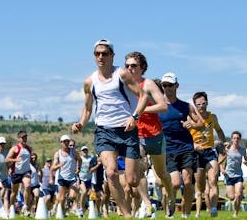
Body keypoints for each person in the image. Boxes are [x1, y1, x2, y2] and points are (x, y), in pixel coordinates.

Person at [71, 39, 148, 218]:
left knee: (132, 181)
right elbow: (88, 107)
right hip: (104, 130)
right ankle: (127, 214)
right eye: (97, 53)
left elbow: (143, 96)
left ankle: (141, 166)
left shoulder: (122, 75)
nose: (100, 57)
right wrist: (81, 123)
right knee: (111, 173)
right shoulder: (89, 82)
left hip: (127, 130)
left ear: (112, 55)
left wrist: (134, 117)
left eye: (104, 53)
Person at [125, 51, 174, 217]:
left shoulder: (149, 84)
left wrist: (140, 110)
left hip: (154, 134)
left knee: (161, 173)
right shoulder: (123, 85)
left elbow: (163, 106)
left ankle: (172, 197)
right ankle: (147, 204)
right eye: (127, 66)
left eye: (134, 65)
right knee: (138, 169)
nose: (130, 68)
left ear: (142, 67)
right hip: (135, 134)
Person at [157, 72, 204, 218]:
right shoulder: (158, 107)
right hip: (167, 149)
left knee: (188, 181)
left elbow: (201, 124)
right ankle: (169, 207)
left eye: (170, 85)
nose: (167, 88)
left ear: (176, 86)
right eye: (164, 85)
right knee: (175, 184)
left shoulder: (185, 106)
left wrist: (193, 125)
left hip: (186, 147)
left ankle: (186, 214)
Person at [189, 91, 226, 217]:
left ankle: (214, 209)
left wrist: (224, 142)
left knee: (213, 180)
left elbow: (219, 130)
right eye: (198, 104)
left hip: (210, 151)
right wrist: (193, 146)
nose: (202, 106)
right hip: (197, 153)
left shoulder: (212, 117)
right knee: (200, 187)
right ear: (194, 105)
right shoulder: (190, 118)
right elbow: (184, 137)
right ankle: (200, 209)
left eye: (204, 103)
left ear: (207, 103)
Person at [50, 135, 82, 217]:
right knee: (61, 199)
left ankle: (69, 201)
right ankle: (63, 213)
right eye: (64, 141)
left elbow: (80, 159)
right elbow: (53, 168)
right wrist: (59, 165)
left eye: (67, 141)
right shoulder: (58, 154)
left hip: (72, 178)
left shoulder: (73, 151)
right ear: (61, 143)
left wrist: (78, 169)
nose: (66, 143)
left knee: (73, 196)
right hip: (62, 178)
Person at [219, 131, 247, 218]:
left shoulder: (243, 150)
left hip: (238, 175)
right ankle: (232, 198)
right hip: (228, 175)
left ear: (240, 139)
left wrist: (246, 162)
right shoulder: (227, 150)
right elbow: (219, 162)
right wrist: (222, 169)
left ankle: (236, 213)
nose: (236, 140)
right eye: (234, 138)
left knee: (238, 194)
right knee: (232, 197)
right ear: (232, 139)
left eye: (237, 138)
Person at [5, 131, 33, 217]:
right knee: (14, 193)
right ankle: (11, 207)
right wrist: (15, 160)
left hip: (26, 172)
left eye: (25, 137)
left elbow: (29, 159)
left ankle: (25, 206)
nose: (25, 139)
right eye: (23, 137)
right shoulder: (15, 148)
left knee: (27, 186)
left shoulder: (29, 148)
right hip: (16, 173)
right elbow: (6, 159)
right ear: (18, 139)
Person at [78, 146, 93, 216]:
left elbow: (94, 165)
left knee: (88, 195)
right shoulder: (80, 158)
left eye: (86, 150)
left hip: (89, 179)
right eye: (83, 150)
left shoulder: (91, 158)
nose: (85, 151)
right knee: (84, 192)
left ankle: (83, 210)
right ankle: (80, 208)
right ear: (81, 152)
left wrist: (90, 166)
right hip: (81, 178)